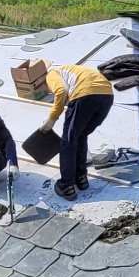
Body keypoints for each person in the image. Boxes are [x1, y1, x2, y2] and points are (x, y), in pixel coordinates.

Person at [38, 64, 113, 201]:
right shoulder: (72, 71)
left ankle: (66, 186)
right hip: (107, 96)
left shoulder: (51, 75)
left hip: (85, 95)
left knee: (68, 141)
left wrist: (52, 118)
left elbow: (61, 91)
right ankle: (81, 177)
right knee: (81, 136)